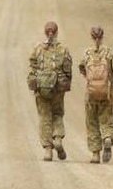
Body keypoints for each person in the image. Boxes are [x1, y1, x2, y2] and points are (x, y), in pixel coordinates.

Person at [27, 21, 73, 162]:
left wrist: (34, 82)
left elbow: (32, 67)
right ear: (56, 32)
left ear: (45, 32)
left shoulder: (37, 49)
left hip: (41, 89)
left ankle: (48, 150)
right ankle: (58, 139)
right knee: (57, 114)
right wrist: (65, 84)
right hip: (58, 89)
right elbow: (68, 70)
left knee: (44, 117)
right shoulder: (63, 50)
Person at [79, 26, 113, 164]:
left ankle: (95, 155)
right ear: (103, 37)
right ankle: (108, 137)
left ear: (91, 37)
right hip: (107, 93)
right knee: (107, 120)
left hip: (91, 94)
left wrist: (89, 79)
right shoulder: (109, 52)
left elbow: (82, 68)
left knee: (92, 123)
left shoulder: (87, 53)